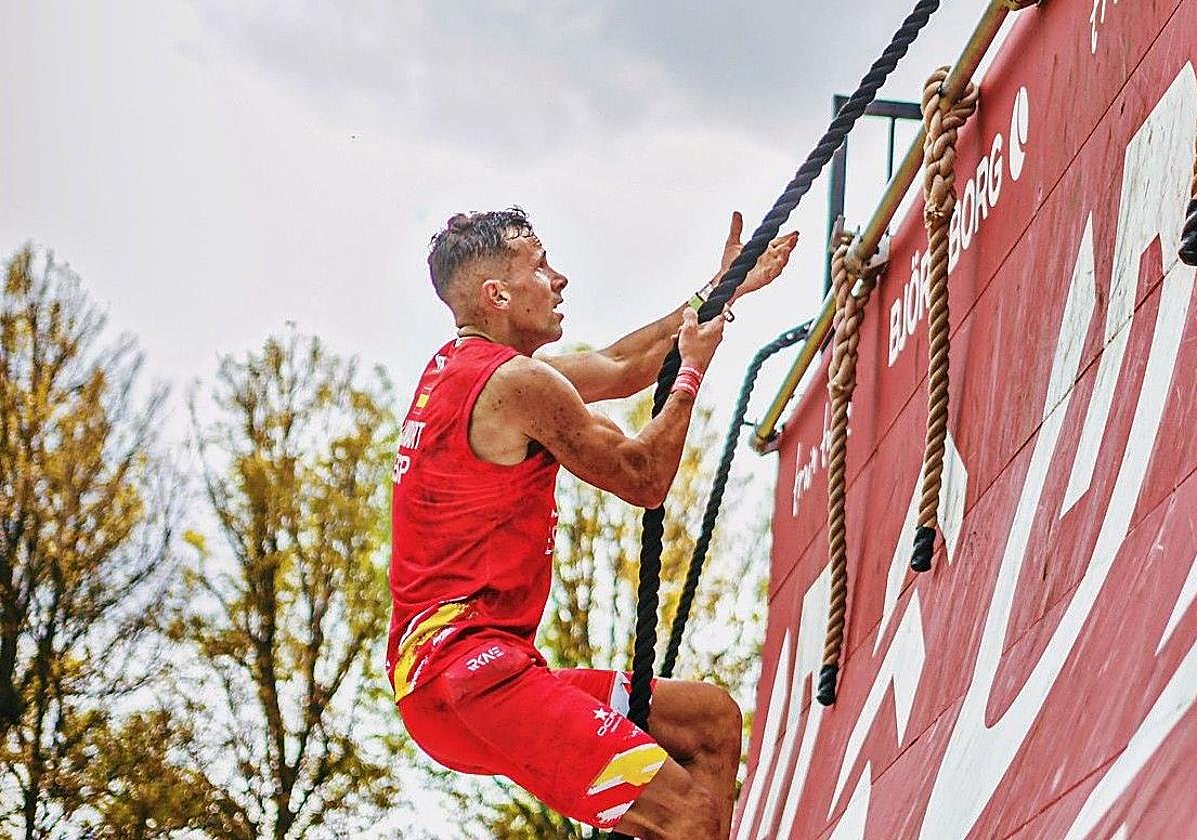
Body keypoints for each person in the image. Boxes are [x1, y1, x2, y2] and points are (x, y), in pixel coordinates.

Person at [388, 207, 798, 839]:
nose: (560, 279)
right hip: (471, 675)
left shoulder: (468, 369)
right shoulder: (517, 382)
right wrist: (691, 372)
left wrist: (725, 289)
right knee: (686, 815)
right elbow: (644, 477)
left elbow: (620, 365)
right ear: (498, 294)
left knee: (709, 722)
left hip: (459, 677)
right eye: (540, 266)